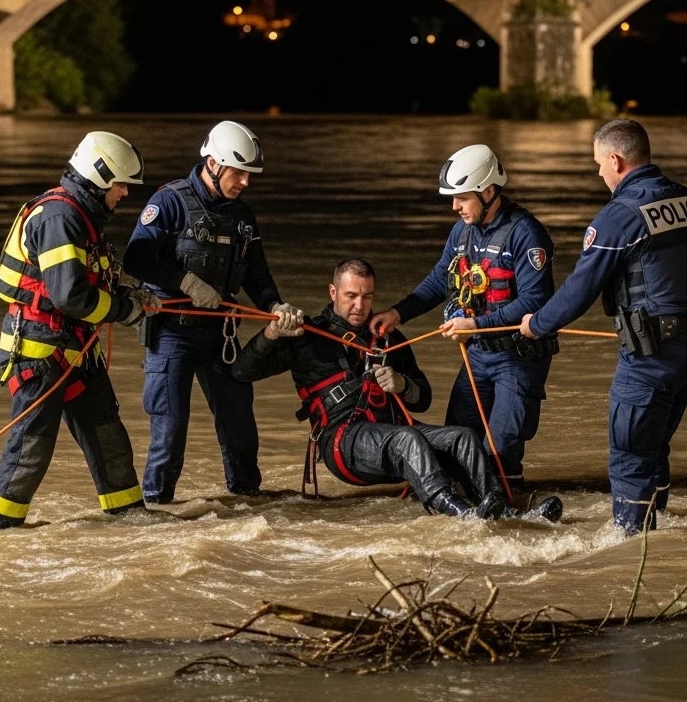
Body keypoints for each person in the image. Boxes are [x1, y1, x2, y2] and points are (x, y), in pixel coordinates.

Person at [519, 118, 687, 534]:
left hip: (653, 356)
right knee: (653, 444)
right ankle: (660, 532)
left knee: (628, 453)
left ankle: (629, 546)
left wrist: (537, 324)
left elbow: (580, 291)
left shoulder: (618, 218)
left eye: (599, 165)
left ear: (616, 160)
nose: (599, 174)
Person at [233, 259, 552, 519]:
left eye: (368, 297)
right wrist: (270, 333)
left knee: (462, 437)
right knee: (407, 438)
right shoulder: (306, 337)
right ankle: (463, 514)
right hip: (343, 444)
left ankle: (505, 511)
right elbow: (243, 371)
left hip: (394, 436)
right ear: (333, 292)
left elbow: (423, 398)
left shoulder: (387, 337)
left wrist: (401, 384)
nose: (360, 305)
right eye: (351, 296)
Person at [0, 132, 158, 533]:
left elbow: (83, 283)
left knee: (107, 435)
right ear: (99, 176)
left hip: (74, 350)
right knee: (31, 447)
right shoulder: (61, 218)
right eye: (121, 183)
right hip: (40, 354)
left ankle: (132, 524)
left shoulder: (79, 215)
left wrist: (125, 294)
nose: (126, 193)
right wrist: (125, 310)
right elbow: (69, 297)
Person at [123, 121, 301, 502]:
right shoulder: (168, 202)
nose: (245, 182)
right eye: (238, 173)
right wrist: (184, 282)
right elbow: (136, 258)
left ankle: (247, 505)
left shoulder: (242, 217)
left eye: (249, 174)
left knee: (240, 430)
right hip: (172, 335)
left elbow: (257, 275)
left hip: (221, 337)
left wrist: (274, 306)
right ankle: (155, 511)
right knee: (169, 435)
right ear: (212, 163)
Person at [370, 144, 560, 498]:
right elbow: (438, 281)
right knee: (456, 444)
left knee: (499, 454)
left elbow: (536, 301)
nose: (455, 207)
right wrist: (397, 313)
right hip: (478, 356)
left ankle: (509, 514)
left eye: (462, 198)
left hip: (518, 359)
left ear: (489, 191)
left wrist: (474, 326)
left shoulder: (526, 233)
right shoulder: (461, 232)